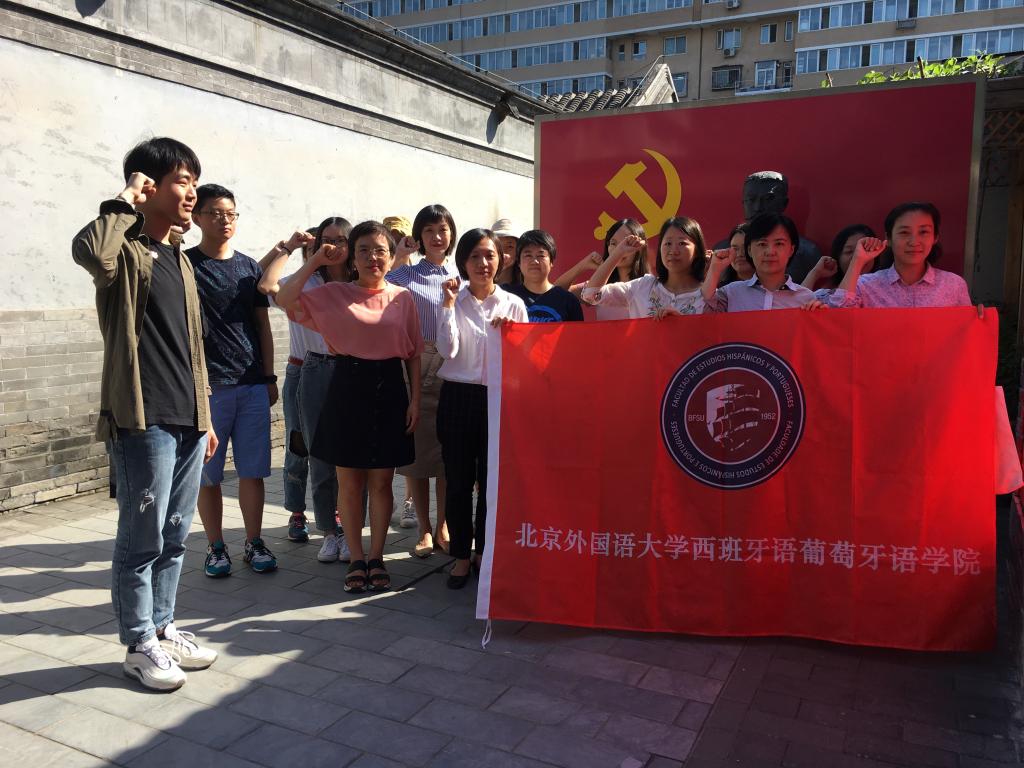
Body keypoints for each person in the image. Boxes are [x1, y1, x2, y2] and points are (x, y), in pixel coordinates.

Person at [72, 137, 218, 691]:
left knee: (176, 534)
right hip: (143, 419)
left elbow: (194, 347)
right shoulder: (127, 251)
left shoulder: (180, 258)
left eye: (194, 182)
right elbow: (92, 253)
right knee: (142, 539)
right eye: (182, 181)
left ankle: (161, 626)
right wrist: (125, 198)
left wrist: (206, 416)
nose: (192, 193)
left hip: (187, 418)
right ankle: (138, 644)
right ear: (149, 186)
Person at [276, 221, 422, 592]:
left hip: (389, 389)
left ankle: (377, 557)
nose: (373, 257)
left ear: (392, 256)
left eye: (381, 250)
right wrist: (314, 260)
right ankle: (356, 558)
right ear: (352, 257)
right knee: (350, 482)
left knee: (382, 482)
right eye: (364, 250)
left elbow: (413, 354)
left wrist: (415, 400)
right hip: (345, 387)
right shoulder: (334, 293)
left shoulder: (403, 298)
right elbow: (283, 298)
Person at [187, 185, 277, 577]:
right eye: (215, 213)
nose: (224, 220)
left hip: (252, 382)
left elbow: (262, 326)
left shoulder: (249, 268)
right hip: (209, 387)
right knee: (208, 475)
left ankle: (254, 542)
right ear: (197, 218)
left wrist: (269, 376)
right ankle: (216, 547)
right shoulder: (186, 266)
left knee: (253, 471)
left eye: (230, 213)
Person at [258, 218, 355, 565]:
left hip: (346, 371)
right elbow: (266, 285)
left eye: (341, 240)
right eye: (326, 240)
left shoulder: (356, 282)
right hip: (304, 369)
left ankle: (340, 520)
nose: (333, 246)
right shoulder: (306, 280)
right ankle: (298, 512)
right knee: (301, 448)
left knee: (343, 454)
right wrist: (294, 249)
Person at [436, 229, 529, 588]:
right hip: (458, 397)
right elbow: (447, 350)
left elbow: (524, 361)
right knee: (458, 481)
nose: (482, 263)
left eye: (489, 255)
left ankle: (484, 552)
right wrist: (447, 306)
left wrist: (511, 335)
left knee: (492, 483)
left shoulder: (513, 304)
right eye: (474, 256)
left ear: (501, 260)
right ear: (463, 261)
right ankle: (461, 555)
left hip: (498, 398)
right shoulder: (453, 298)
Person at [387, 204, 458, 557]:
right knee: (417, 452)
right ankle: (424, 529)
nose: (436, 236)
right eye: (429, 230)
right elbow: (378, 287)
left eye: (442, 229)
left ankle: (444, 524)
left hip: (454, 365)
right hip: (417, 364)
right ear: (418, 236)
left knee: (447, 453)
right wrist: (400, 255)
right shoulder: (407, 274)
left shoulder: (460, 273)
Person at [829, 202, 971, 308]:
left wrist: (978, 318)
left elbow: (965, 332)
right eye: (904, 232)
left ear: (935, 238)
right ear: (889, 239)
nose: (914, 242)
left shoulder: (954, 285)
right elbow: (838, 313)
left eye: (923, 232)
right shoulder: (866, 285)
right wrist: (857, 260)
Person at [583, 217, 706, 318]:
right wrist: (619, 252)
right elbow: (591, 294)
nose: (673, 251)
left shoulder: (708, 296)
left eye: (682, 243)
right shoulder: (643, 286)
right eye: (668, 243)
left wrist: (682, 323)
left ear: (697, 250)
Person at [714, 171, 821, 283]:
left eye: (768, 199)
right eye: (751, 200)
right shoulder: (721, 251)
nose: (757, 207)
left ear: (784, 203)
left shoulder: (808, 253)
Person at [704, 212, 822, 312]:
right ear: (749, 250)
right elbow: (701, 314)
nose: (770, 252)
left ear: (791, 250)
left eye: (779, 244)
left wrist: (821, 315)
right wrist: (714, 270)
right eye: (762, 244)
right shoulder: (730, 294)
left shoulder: (806, 299)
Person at [554, 218, 648, 319]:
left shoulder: (650, 285)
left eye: (627, 242)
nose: (620, 248)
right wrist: (583, 265)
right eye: (613, 243)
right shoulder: (598, 286)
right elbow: (555, 293)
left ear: (640, 247)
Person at [504, 229, 584, 322]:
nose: (534, 261)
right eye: (528, 255)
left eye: (541, 256)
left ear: (551, 262)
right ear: (519, 262)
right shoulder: (505, 295)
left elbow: (577, 331)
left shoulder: (568, 301)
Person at [802, 224, 878, 296]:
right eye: (849, 251)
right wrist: (815, 273)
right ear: (838, 257)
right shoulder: (828, 295)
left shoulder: (882, 288)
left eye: (865, 249)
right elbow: (798, 301)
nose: (857, 256)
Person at [491, 217, 521, 284]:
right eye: (497, 245)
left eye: (510, 246)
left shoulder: (527, 287)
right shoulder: (478, 286)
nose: (503, 253)